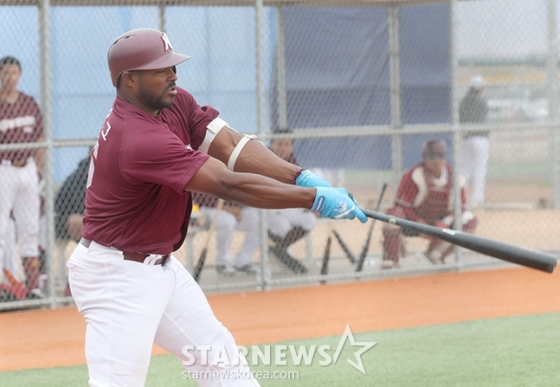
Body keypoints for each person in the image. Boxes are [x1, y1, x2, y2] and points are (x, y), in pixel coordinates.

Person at [66, 28, 366, 387]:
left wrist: (300, 177)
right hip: (116, 276)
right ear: (129, 80)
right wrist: (313, 200)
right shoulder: (136, 137)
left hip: (158, 266)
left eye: (172, 66)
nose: (173, 75)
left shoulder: (172, 102)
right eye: (161, 69)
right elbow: (227, 182)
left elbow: (232, 145)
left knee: (222, 363)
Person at [381, 139, 478, 269]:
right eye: (431, 157)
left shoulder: (454, 176)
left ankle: (436, 253)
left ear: (445, 158)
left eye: (440, 156)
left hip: (441, 222)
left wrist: (446, 221)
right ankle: (392, 260)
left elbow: (461, 206)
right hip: (414, 222)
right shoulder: (414, 175)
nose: (436, 161)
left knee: (470, 220)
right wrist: (419, 223)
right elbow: (402, 205)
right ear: (424, 159)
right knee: (392, 216)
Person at [0, 55, 44, 298]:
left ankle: (34, 285)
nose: (10, 77)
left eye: (14, 72)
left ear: (20, 75)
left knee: (30, 227)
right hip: (4, 168)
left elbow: (40, 140)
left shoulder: (28, 102)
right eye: (5, 73)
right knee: (1, 229)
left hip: (27, 168)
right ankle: (2, 286)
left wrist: (38, 171)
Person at [267, 128, 317, 274]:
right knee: (281, 226)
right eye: (280, 144)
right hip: (265, 204)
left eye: (287, 144)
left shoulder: (291, 159)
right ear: (272, 144)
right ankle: (278, 251)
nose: (283, 148)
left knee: (309, 220)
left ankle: (278, 250)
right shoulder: (264, 156)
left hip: (284, 203)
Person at [192, 192, 259, 275]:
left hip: (233, 208)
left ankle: (243, 260)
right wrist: (227, 209)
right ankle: (222, 262)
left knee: (257, 219)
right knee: (227, 221)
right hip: (206, 209)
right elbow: (202, 198)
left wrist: (238, 208)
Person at [459, 75, 489, 206]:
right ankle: (478, 197)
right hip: (480, 138)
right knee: (479, 168)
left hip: (465, 138)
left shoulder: (464, 101)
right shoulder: (481, 101)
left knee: (464, 168)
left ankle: (460, 196)